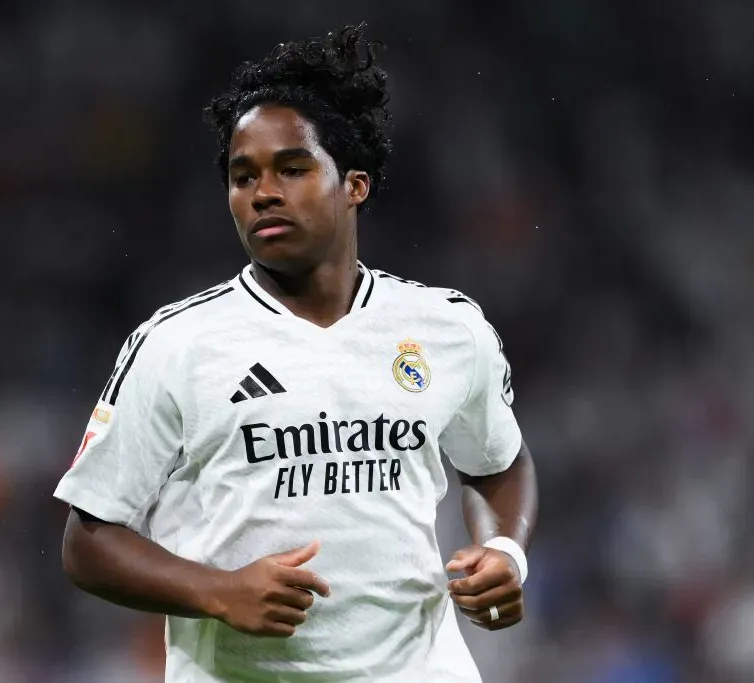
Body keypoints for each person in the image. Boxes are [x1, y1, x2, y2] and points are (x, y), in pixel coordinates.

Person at [55, 23, 538, 682]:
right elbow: (89, 543)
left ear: (355, 185)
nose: (263, 193)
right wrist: (215, 590)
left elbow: (498, 462)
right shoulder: (178, 344)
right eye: (242, 175)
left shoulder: (445, 328)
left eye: (292, 167)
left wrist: (503, 547)